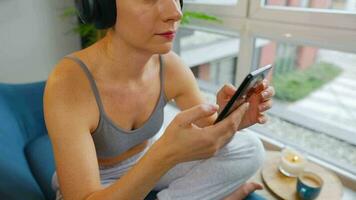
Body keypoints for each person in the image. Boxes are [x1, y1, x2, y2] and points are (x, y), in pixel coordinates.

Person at [43, 0, 275, 199]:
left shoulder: (170, 66)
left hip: (145, 162)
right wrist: (165, 153)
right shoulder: (68, 82)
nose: (176, 12)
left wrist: (234, 117)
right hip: (96, 181)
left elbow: (208, 131)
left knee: (250, 148)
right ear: (104, 7)